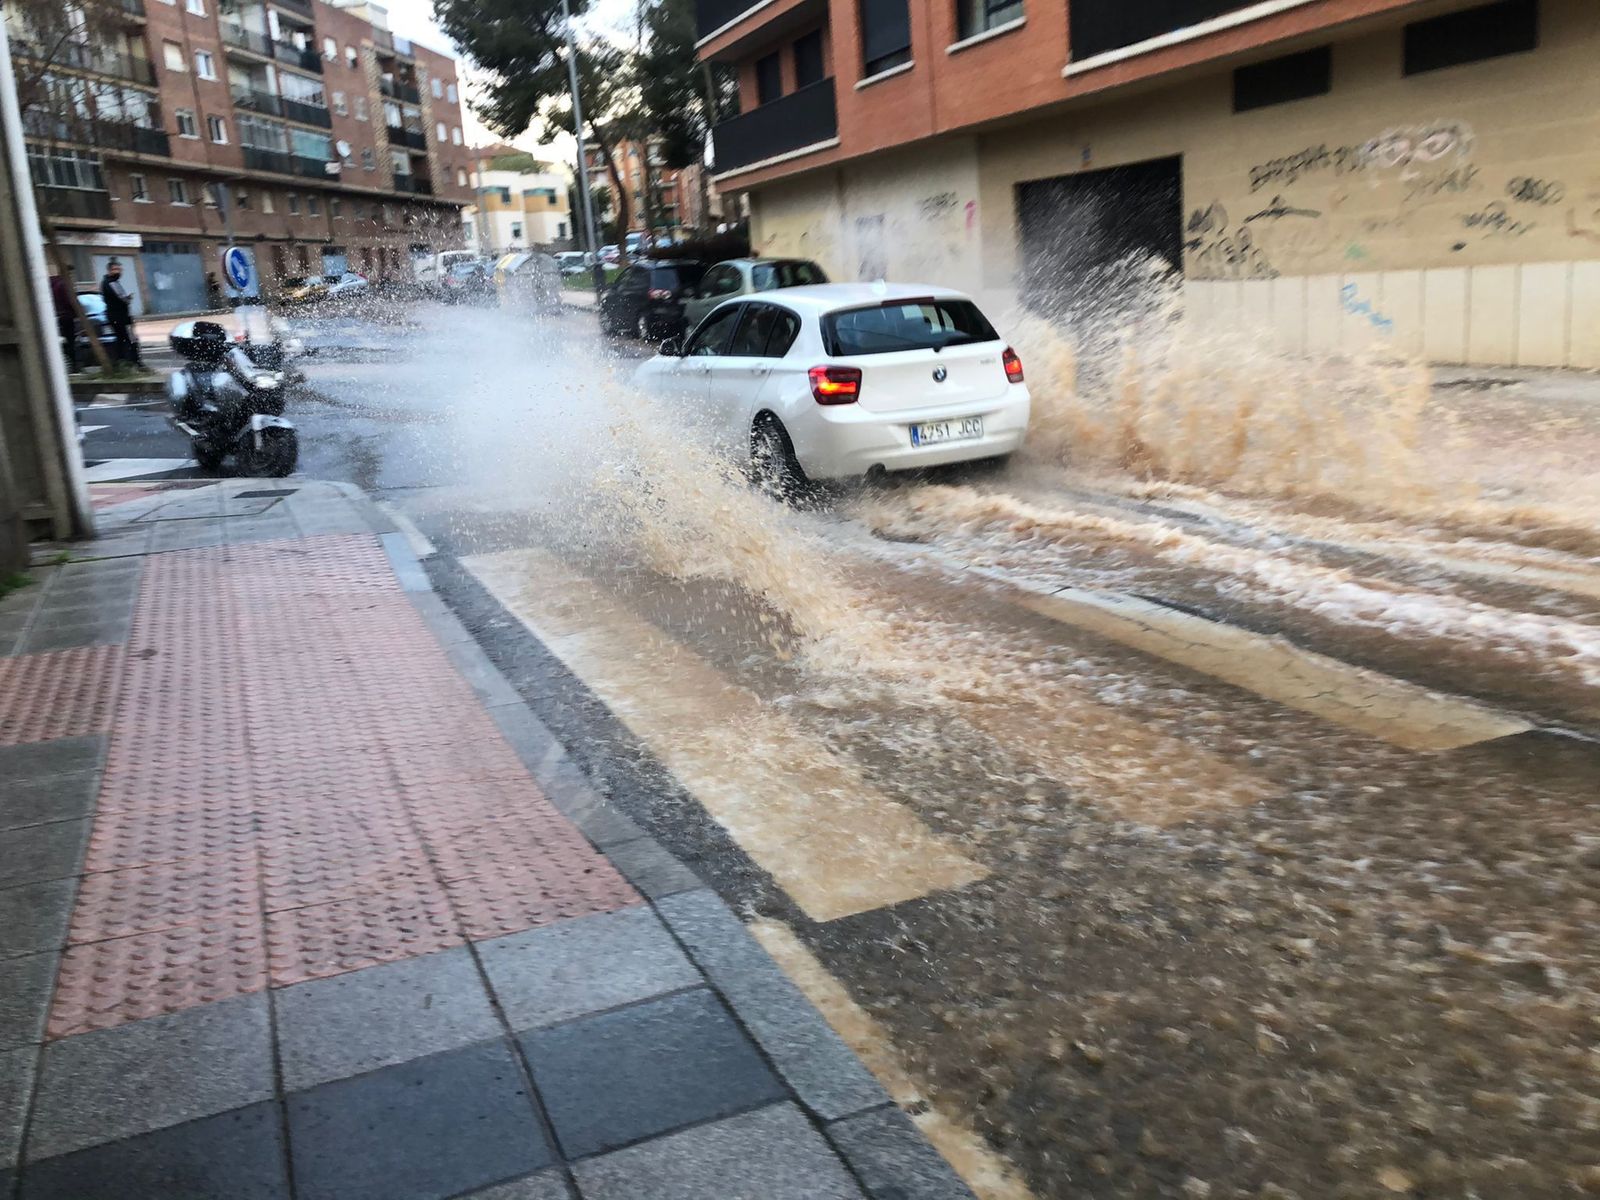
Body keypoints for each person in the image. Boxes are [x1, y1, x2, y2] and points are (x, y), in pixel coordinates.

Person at [100, 259, 142, 367]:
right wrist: (127, 299)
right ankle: (134, 361)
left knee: (122, 339)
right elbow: (121, 298)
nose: (118, 272)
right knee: (129, 339)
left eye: (119, 269)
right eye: (115, 269)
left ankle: (123, 361)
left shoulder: (111, 282)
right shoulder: (110, 283)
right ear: (109, 270)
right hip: (120, 317)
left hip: (119, 316)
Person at [49, 271, 77, 373]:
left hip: (58, 316)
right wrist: (75, 312)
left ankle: (68, 364)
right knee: (70, 342)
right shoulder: (64, 285)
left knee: (64, 341)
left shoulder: (55, 284)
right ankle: (72, 366)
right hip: (66, 316)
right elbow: (69, 301)